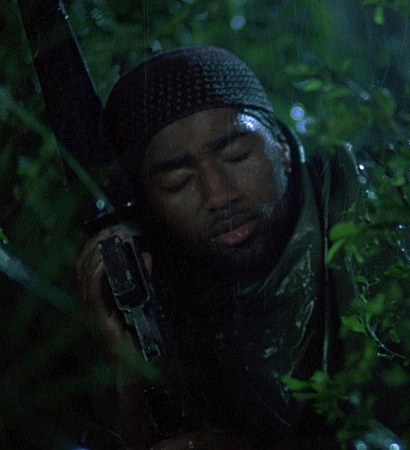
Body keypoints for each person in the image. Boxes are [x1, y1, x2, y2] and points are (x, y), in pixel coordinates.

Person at [75, 46, 361, 449]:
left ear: (281, 147)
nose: (219, 195)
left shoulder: (369, 215)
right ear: (147, 207)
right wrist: (128, 372)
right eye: (178, 183)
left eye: (237, 156)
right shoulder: (156, 280)